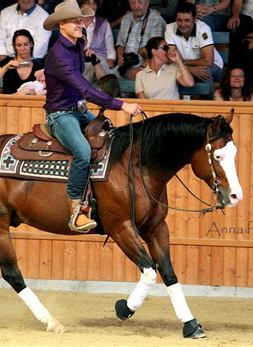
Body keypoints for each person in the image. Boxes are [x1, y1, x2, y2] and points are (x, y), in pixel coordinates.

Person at [42, 1, 141, 232]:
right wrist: (121, 104)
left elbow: (82, 88)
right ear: (61, 25)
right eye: (75, 21)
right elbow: (85, 88)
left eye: (80, 20)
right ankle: (75, 210)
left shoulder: (78, 43)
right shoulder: (58, 55)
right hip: (60, 115)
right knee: (83, 152)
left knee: (111, 134)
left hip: (78, 109)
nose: (80, 23)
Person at [165, 2, 224, 83]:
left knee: (205, 74)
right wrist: (190, 69)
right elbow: (171, 58)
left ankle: (208, 96)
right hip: (185, 66)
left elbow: (208, 61)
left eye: (187, 20)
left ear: (195, 19)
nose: (183, 24)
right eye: (179, 20)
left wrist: (182, 63)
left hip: (213, 65)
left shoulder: (203, 28)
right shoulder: (169, 28)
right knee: (170, 73)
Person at [115, 0, 166, 80]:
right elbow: (121, 44)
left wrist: (141, 68)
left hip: (146, 67)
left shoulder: (156, 20)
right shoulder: (126, 18)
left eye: (140, 2)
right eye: (133, 2)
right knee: (107, 79)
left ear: (147, 3)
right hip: (125, 66)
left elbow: (157, 52)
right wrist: (120, 57)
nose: (136, 6)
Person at [0, 29, 44, 94]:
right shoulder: (6, 62)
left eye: (26, 44)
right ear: (14, 46)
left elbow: (45, 88)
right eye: (19, 45)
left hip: (30, 103)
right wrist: (5, 68)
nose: (23, 49)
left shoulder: (39, 65)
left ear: (31, 44)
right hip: (8, 102)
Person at [78, 0, 116, 80]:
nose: (92, 6)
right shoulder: (75, 23)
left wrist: (111, 60)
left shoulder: (103, 23)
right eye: (88, 3)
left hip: (100, 62)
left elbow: (110, 49)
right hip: (80, 62)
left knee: (99, 63)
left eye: (94, 3)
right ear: (81, 6)